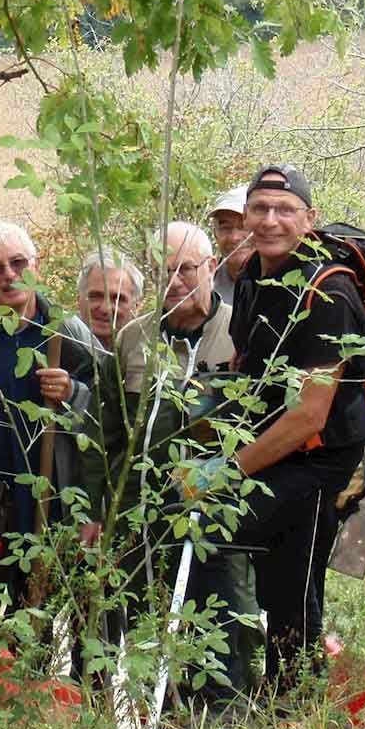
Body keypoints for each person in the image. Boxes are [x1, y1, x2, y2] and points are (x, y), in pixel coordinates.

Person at [205, 165, 365, 698]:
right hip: (269, 445)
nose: (270, 221)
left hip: (318, 459)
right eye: (260, 210)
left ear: (309, 219)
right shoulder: (253, 275)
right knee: (283, 583)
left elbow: (308, 414)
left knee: (291, 586)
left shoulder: (330, 292)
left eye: (284, 210)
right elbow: (243, 365)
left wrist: (227, 471)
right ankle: (264, 696)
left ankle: (292, 713)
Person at [104, 223, 258, 701]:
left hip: (220, 518)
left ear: (211, 267)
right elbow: (110, 433)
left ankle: (228, 724)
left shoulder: (243, 330)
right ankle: (164, 725)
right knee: (152, 627)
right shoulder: (132, 339)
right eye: (164, 272)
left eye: (186, 270)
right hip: (145, 518)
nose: (175, 283)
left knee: (226, 624)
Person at [0, 221, 94, 604]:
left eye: (18, 263)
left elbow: (106, 410)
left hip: (53, 505)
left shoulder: (65, 330)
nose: (9, 275)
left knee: (47, 616)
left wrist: (72, 392)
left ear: (38, 264)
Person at [61, 247, 140, 358]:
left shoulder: (149, 356)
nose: (105, 308)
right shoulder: (55, 345)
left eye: (117, 299)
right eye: (95, 296)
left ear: (136, 307)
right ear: (78, 300)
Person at [208, 185, 253, 310]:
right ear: (215, 234)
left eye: (243, 227)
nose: (234, 238)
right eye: (225, 228)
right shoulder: (204, 289)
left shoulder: (286, 284)